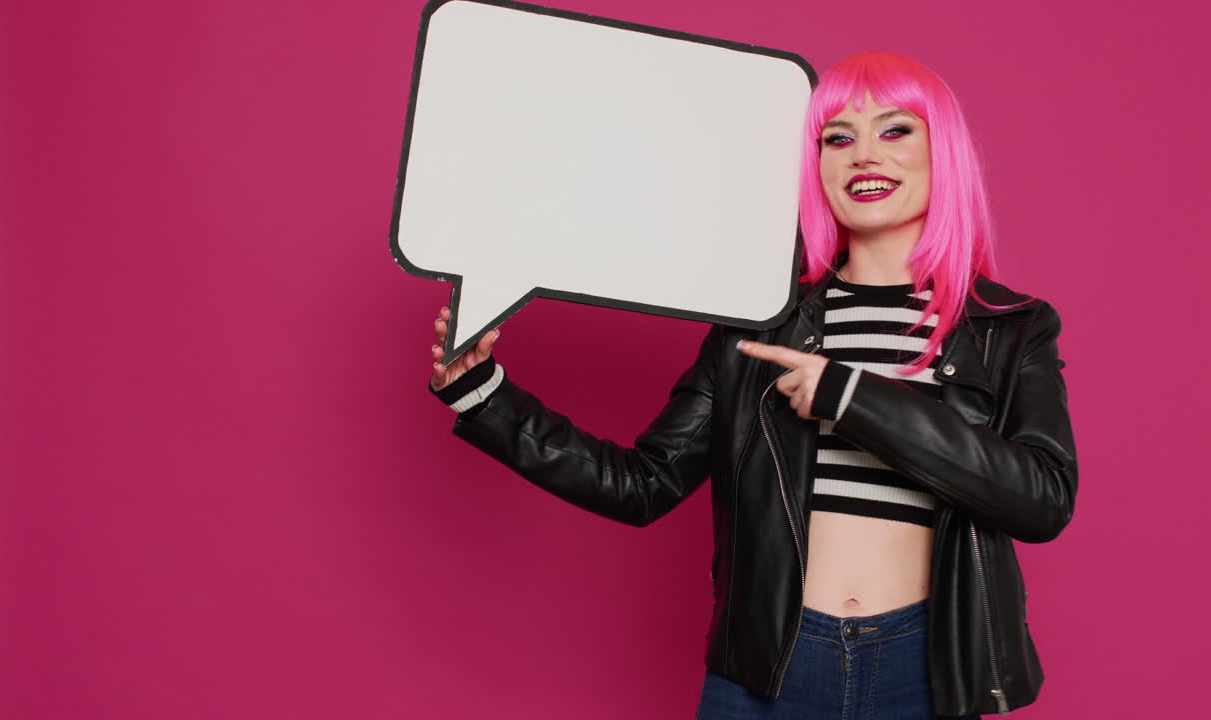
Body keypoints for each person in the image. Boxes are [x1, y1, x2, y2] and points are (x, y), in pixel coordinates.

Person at [425, 51, 1077, 720]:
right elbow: (643, 484)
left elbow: (1042, 498)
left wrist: (849, 399)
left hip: (930, 667)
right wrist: (483, 395)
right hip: (773, 664)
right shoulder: (761, 319)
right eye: (837, 138)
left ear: (943, 152)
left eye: (895, 129)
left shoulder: (1008, 329)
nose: (863, 156)